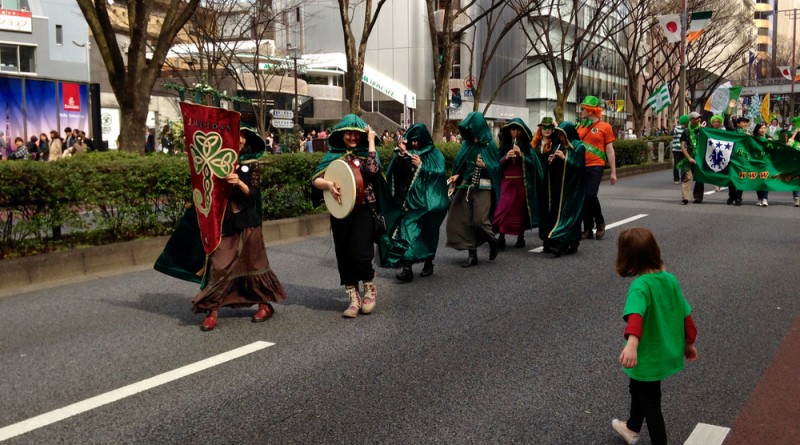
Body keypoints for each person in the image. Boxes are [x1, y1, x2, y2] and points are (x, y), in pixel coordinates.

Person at [191, 127, 286, 331]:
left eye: (243, 137)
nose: (240, 140)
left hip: (247, 220)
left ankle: (264, 305)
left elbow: (253, 195)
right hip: (222, 222)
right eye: (236, 136)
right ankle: (212, 310)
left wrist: (239, 183)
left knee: (254, 264)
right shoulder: (214, 161)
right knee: (219, 265)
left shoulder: (251, 165)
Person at [611, 227, 698, 445]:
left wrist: (631, 344)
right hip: (663, 351)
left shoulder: (640, 286)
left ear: (628, 257)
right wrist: (689, 343)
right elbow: (685, 314)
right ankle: (632, 427)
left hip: (646, 355)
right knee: (638, 388)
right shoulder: (670, 280)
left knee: (650, 402)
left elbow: (636, 316)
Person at [312, 114, 383, 318]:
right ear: (342, 135)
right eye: (348, 133)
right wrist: (328, 185)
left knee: (361, 252)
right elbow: (316, 180)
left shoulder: (367, 154)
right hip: (340, 211)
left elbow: (373, 170)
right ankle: (353, 297)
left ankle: (369, 287)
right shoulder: (333, 156)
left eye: (356, 134)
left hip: (364, 210)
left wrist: (371, 141)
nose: (352, 137)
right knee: (344, 254)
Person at [379, 123, 449, 282]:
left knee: (428, 233)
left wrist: (422, 166)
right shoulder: (406, 152)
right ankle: (407, 268)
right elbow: (395, 172)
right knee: (407, 231)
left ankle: (428, 261)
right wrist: (401, 156)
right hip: (411, 203)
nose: (415, 144)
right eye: (412, 140)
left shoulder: (435, 154)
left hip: (430, 204)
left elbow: (440, 172)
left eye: (417, 140)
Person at [446, 111, 502, 267]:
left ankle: (492, 240)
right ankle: (472, 254)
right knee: (465, 220)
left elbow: (497, 168)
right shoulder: (467, 144)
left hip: (483, 186)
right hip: (466, 185)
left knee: (480, 220)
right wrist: (457, 175)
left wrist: (486, 166)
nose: (471, 132)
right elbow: (462, 163)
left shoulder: (489, 145)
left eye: (472, 128)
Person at [537, 122, 586, 257]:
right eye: (559, 134)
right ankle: (559, 241)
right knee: (557, 213)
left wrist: (565, 158)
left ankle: (563, 244)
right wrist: (552, 161)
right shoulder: (559, 146)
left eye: (562, 134)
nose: (561, 137)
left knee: (569, 214)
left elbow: (579, 167)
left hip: (573, 188)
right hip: (560, 187)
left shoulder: (578, 146)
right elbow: (556, 169)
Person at [493, 118, 541, 249]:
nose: (515, 132)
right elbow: (496, 165)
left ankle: (521, 237)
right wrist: (506, 157)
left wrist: (522, 156)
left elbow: (533, 164)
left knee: (519, 211)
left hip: (521, 183)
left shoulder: (527, 148)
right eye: (512, 129)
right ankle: (501, 236)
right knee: (503, 208)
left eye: (518, 130)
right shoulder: (504, 146)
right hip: (506, 182)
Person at [577, 95, 617, 240]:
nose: (581, 111)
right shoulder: (579, 127)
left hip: (596, 165)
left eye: (583, 109)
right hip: (581, 165)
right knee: (583, 197)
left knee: (590, 194)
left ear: (591, 110)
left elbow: (610, 150)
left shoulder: (605, 127)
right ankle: (587, 228)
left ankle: (599, 221)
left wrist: (613, 172)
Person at [678, 112, 704, 205]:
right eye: (696, 118)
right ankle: (685, 197)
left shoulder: (703, 130)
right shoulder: (686, 131)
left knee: (699, 178)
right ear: (691, 120)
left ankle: (698, 197)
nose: (699, 119)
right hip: (687, 157)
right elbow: (682, 145)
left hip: (699, 157)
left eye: (699, 118)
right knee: (687, 176)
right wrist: (689, 158)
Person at [753, 122, 772, 207]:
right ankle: (760, 198)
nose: (763, 130)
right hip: (756, 162)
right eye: (761, 128)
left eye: (764, 128)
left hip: (766, 162)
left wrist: (771, 143)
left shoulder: (769, 138)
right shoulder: (753, 139)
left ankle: (765, 199)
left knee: (765, 180)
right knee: (757, 180)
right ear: (757, 129)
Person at [670, 115, 688, 184]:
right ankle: (676, 178)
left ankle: (683, 178)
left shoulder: (688, 129)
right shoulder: (677, 128)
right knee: (676, 164)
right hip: (676, 149)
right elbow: (671, 134)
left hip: (684, 150)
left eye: (685, 124)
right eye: (684, 123)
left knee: (684, 164)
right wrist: (673, 128)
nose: (684, 125)